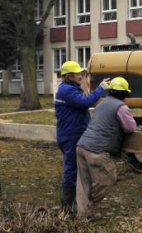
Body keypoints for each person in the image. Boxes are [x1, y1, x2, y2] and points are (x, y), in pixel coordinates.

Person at [75, 76, 137, 219]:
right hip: (97, 149)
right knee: (108, 178)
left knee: (83, 183)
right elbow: (130, 127)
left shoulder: (101, 103)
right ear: (124, 94)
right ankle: (89, 206)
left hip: (82, 145)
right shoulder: (121, 107)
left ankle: (83, 216)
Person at [54, 60, 109, 213]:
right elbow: (85, 102)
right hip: (71, 135)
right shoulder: (67, 91)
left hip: (71, 133)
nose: (81, 76)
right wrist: (100, 89)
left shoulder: (69, 88)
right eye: (78, 74)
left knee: (77, 169)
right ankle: (67, 207)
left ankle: (75, 204)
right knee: (71, 170)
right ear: (70, 76)